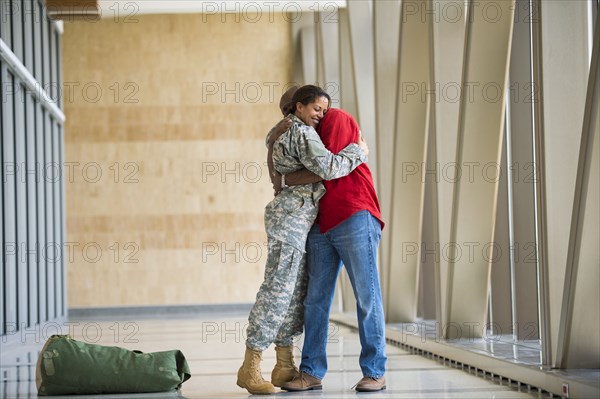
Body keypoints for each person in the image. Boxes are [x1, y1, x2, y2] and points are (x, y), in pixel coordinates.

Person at [236, 86, 370, 395]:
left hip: (298, 220)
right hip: (290, 220)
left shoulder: (286, 130)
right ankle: (250, 366)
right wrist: (358, 151)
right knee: (278, 290)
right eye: (316, 109)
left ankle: (284, 365)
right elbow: (330, 167)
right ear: (298, 107)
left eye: (325, 110)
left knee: (294, 293)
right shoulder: (302, 133)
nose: (321, 115)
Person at [280, 108, 388, 392]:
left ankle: (375, 371)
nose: (313, 114)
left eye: (316, 108)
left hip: (354, 215)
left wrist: (294, 176)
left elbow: (326, 165)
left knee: (367, 297)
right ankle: (311, 371)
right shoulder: (297, 132)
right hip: (321, 223)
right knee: (314, 301)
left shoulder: (336, 119)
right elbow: (288, 173)